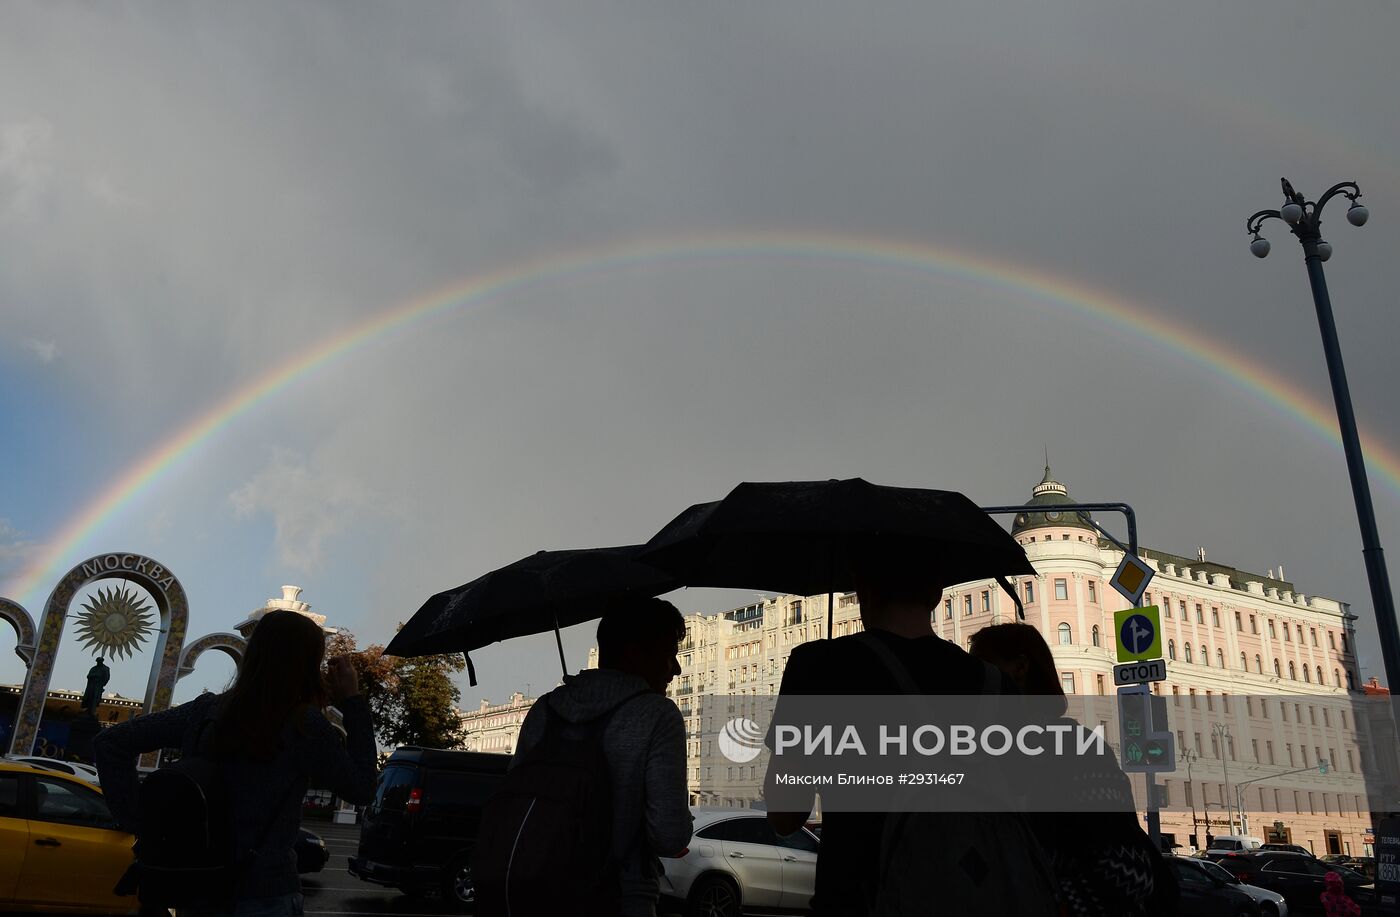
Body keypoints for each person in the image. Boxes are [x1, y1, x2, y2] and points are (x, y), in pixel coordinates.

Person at [764, 562, 1056, 917]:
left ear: (862, 587)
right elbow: (1020, 798)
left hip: (857, 900)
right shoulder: (997, 686)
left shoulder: (819, 665)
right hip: (979, 897)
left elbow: (786, 814)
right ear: (936, 593)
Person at [94, 609, 377, 917]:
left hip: (198, 888)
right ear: (305, 664)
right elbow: (362, 789)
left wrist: (140, 824)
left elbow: (110, 742)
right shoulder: (303, 725)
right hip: (265, 893)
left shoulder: (205, 711)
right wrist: (353, 701)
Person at [970, 622, 1178, 917]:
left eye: (983, 665)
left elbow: (1125, 870)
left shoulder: (1077, 750)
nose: (975, 677)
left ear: (1019, 667)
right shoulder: (990, 749)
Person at [508, 597, 692, 917]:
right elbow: (669, 836)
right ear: (635, 654)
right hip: (618, 898)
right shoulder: (658, 715)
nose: (675, 669)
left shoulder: (544, 710)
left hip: (531, 891)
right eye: (669, 655)